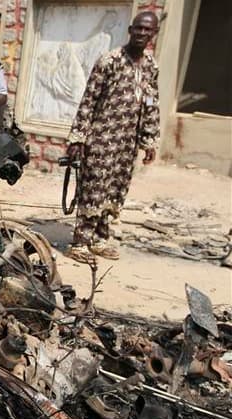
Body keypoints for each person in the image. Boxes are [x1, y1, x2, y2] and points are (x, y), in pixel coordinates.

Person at [65, 12, 160, 264]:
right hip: (101, 139)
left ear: (154, 34)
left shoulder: (151, 66)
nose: (141, 33)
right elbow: (89, 100)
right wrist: (78, 137)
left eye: (147, 30)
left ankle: (99, 239)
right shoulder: (110, 61)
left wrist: (150, 140)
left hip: (128, 143)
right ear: (130, 30)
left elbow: (151, 103)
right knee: (94, 189)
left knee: (116, 190)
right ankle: (80, 242)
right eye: (138, 28)